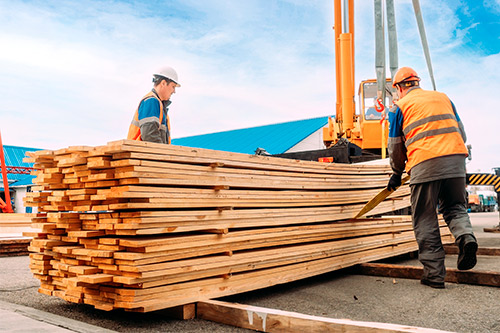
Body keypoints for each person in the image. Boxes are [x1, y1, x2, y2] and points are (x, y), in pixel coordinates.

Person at [386, 66, 477, 289]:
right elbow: (461, 133)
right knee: (455, 206)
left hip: (424, 164)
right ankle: (466, 237)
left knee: (425, 217)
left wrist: (396, 173)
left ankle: (434, 275)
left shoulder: (400, 107)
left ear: (398, 88)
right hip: (456, 161)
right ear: (416, 82)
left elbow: (396, 146)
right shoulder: (443, 98)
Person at [127, 66, 181, 143]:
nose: (174, 91)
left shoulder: (159, 105)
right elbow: (150, 136)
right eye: (173, 86)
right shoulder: (151, 101)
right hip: (139, 153)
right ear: (163, 83)